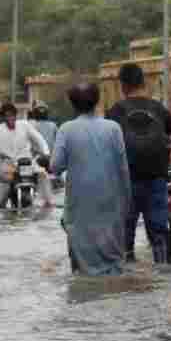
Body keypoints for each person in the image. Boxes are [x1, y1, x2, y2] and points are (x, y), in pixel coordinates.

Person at [50, 82, 132, 276]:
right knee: (114, 266)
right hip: (110, 207)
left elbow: (55, 166)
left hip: (79, 210)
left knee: (81, 270)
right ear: (97, 101)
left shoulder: (66, 129)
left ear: (73, 104)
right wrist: (126, 205)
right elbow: (123, 171)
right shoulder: (113, 128)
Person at [106, 62, 171, 263]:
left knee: (125, 237)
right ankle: (163, 273)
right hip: (156, 180)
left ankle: (128, 283)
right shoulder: (157, 108)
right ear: (143, 82)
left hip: (126, 182)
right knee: (159, 235)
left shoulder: (115, 111)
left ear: (123, 85)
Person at [0, 102, 54, 209]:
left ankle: (48, 203)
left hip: (27, 162)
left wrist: (46, 153)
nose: (10, 118)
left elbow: (39, 139)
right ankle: (0, 206)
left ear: (16, 115)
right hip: (8, 164)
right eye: (7, 116)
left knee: (43, 174)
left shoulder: (25, 125)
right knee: (1, 197)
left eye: (12, 115)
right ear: (3, 117)